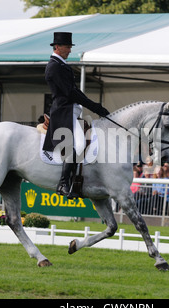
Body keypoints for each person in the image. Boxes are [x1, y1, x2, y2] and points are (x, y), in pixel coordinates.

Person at [43, 32, 109, 198]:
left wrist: (95, 106)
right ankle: (63, 184)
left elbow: (74, 91)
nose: (70, 50)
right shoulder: (54, 66)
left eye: (70, 47)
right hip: (63, 112)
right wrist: (96, 107)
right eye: (67, 47)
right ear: (57, 47)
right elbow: (70, 92)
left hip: (71, 111)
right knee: (78, 146)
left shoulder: (62, 64)